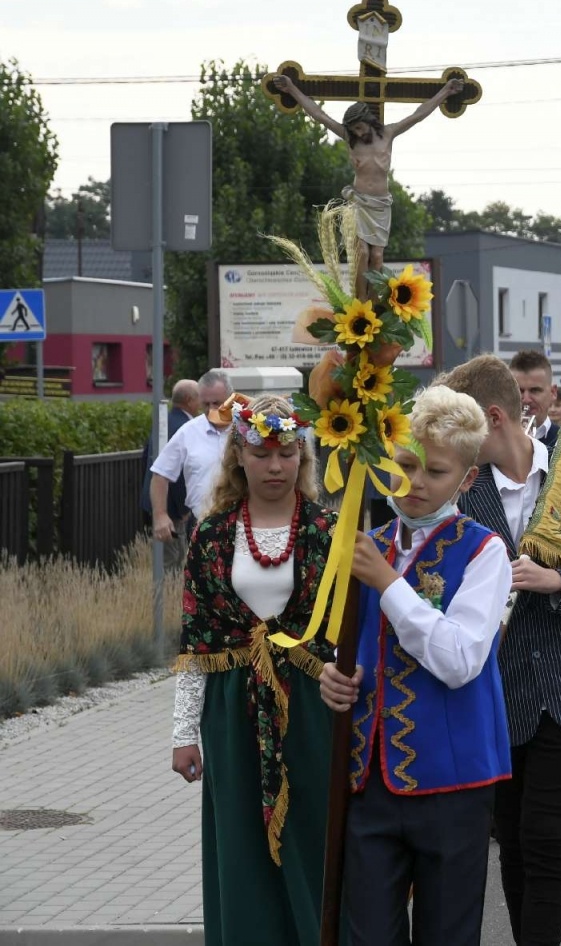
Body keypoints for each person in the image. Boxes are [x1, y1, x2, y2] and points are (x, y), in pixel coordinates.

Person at [318, 386, 513, 946]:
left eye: (435, 470)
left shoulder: (485, 552)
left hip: (453, 782)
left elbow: (459, 660)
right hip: (368, 780)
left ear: (467, 480)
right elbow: (344, 645)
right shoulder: (366, 543)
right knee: (368, 935)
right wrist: (333, 677)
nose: (417, 483)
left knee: (446, 934)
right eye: (405, 465)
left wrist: (388, 583)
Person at [442, 355, 561, 946]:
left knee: (543, 836)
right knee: (509, 839)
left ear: (492, 418)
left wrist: (559, 582)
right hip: (495, 693)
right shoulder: (461, 490)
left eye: (461, 430)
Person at [170, 396, 334, 946]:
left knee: (312, 839)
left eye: (286, 453)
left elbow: (344, 633)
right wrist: (182, 734)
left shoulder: (325, 531)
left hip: (310, 708)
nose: (275, 466)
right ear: (238, 455)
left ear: (301, 458)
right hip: (232, 713)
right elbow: (196, 641)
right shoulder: (212, 535)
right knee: (239, 845)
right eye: (262, 453)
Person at [272, 73, 464, 270]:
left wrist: (446, 91)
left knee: (377, 257)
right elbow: (319, 115)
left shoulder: (388, 134)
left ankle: (373, 300)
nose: (358, 133)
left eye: (360, 127)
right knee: (362, 254)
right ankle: (361, 300)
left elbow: (418, 114)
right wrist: (292, 90)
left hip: (380, 205)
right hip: (359, 201)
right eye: (354, 130)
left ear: (369, 121)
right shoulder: (349, 138)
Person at [150, 371, 234, 554]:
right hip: (202, 524)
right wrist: (160, 515)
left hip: (245, 526)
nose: (211, 408)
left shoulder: (248, 429)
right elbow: (160, 474)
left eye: (217, 403)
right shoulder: (188, 432)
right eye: (205, 403)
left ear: (230, 399)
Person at [143, 378, 198, 572]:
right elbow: (179, 473)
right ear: (190, 400)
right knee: (173, 559)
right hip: (171, 506)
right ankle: (166, 597)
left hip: (159, 502)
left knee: (170, 557)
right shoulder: (185, 428)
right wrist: (183, 509)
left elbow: (148, 460)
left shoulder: (164, 422)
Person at [510, 349, 559, 449]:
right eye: (520, 391)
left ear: (553, 393)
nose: (526, 399)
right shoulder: (492, 445)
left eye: (535, 390)